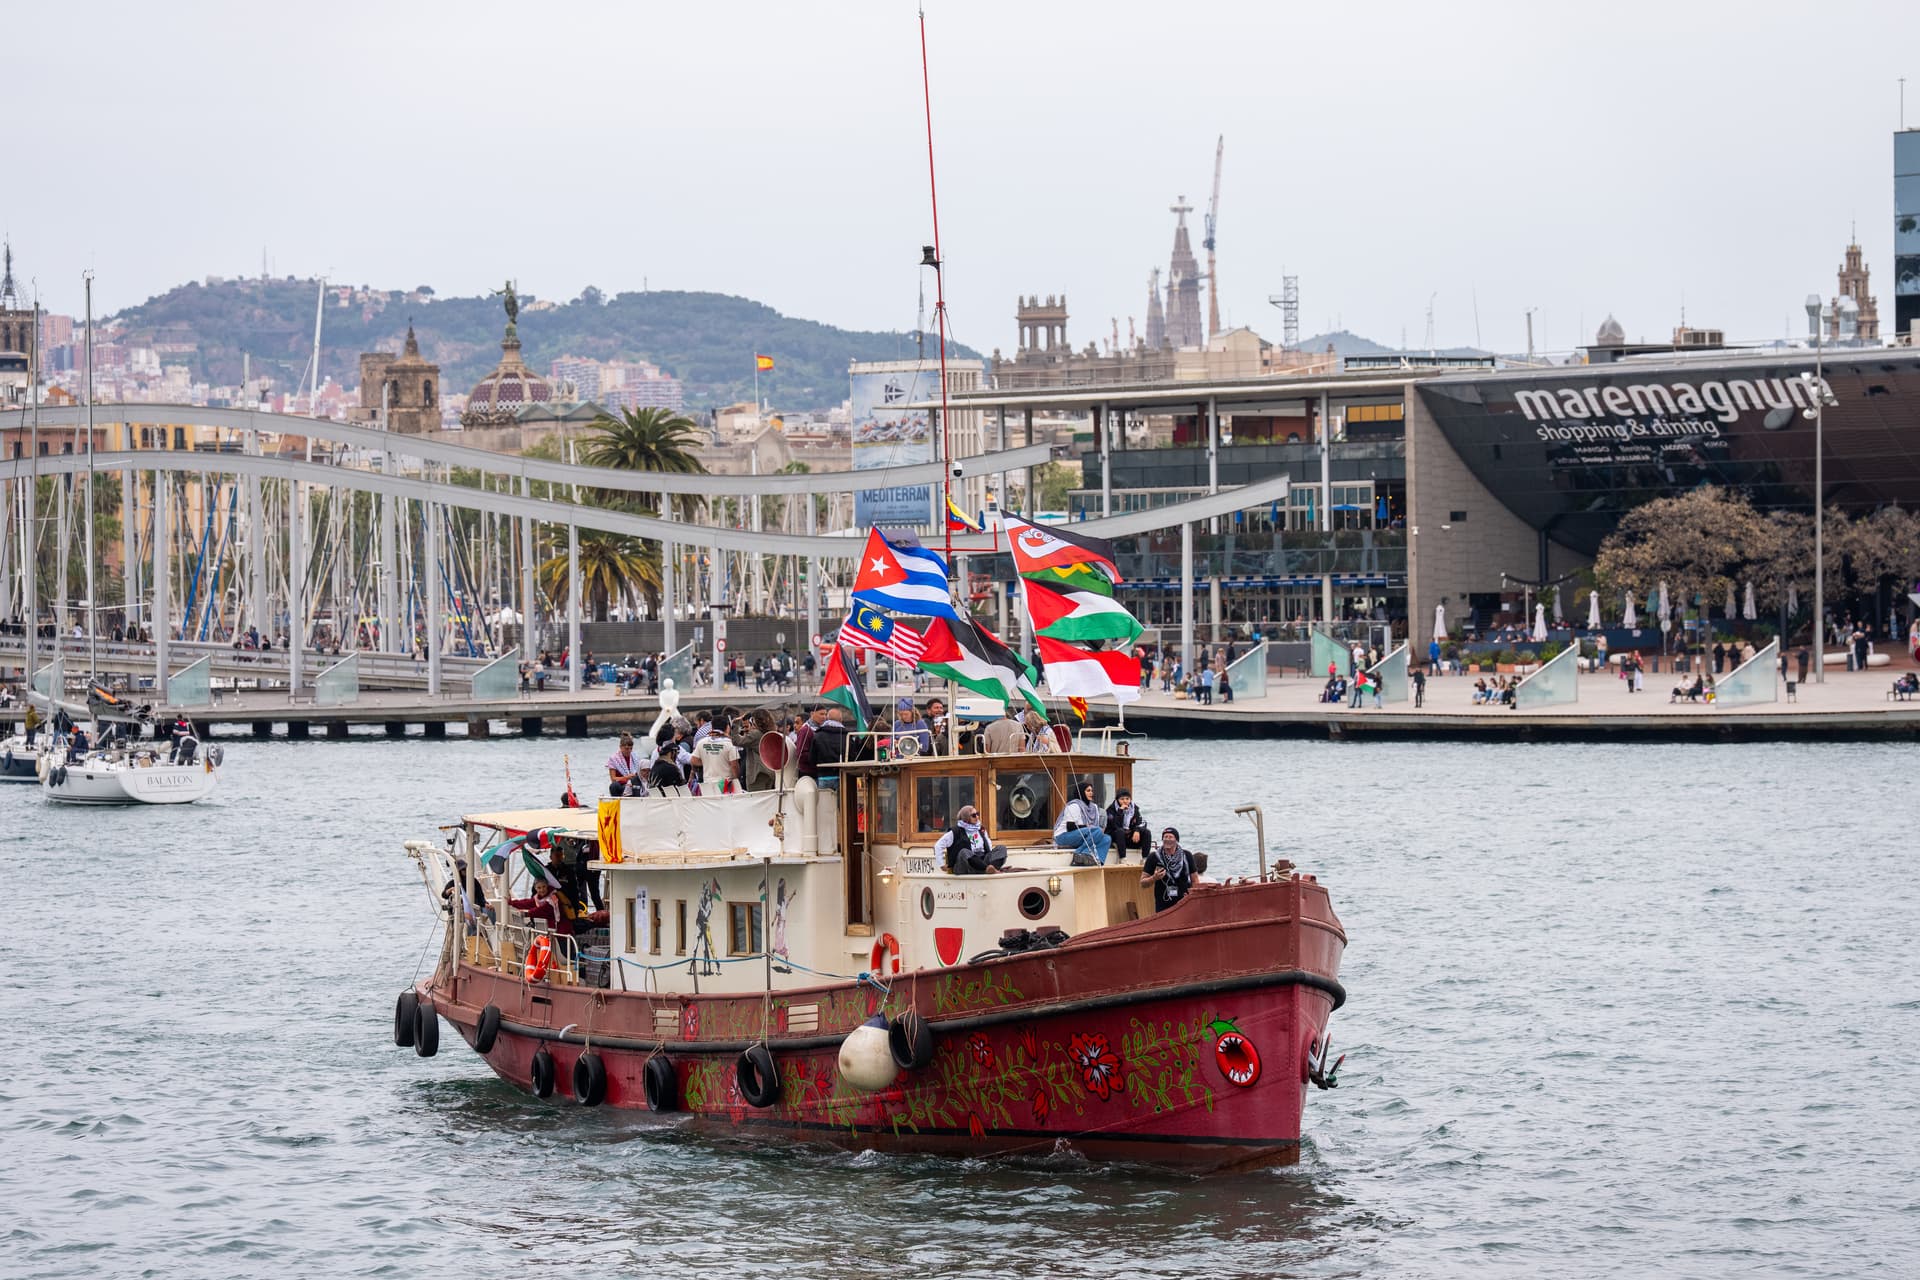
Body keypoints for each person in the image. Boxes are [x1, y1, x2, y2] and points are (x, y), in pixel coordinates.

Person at [935, 804, 1006, 875]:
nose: (977, 817)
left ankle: (989, 869)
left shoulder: (980, 829)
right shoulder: (955, 831)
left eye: (977, 814)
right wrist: (941, 864)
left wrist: (992, 857)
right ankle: (986, 869)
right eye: (974, 815)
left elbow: (988, 844)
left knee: (1001, 848)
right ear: (966, 817)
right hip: (965, 864)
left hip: (982, 860)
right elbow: (938, 845)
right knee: (964, 852)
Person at [1053, 780, 1113, 865]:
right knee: (1098, 830)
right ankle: (1079, 854)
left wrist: (1090, 828)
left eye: (1091, 791)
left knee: (1107, 838)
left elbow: (1094, 829)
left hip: (1083, 836)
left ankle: (1096, 860)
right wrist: (1087, 826)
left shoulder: (1094, 807)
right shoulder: (1074, 806)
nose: (1091, 793)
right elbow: (1070, 827)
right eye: (1088, 791)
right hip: (1063, 836)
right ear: (1081, 792)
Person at [1141, 827, 1195, 913]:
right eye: (1165, 837)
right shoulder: (1154, 857)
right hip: (1163, 903)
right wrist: (1154, 878)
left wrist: (1193, 896)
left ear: (1176, 840)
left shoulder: (1187, 855)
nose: (1167, 839)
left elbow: (1195, 880)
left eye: (1170, 837)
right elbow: (1143, 883)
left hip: (1185, 900)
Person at [1104, 788, 1150, 861]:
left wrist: (1137, 830)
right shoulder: (1111, 810)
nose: (1125, 801)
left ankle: (1145, 859)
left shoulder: (1134, 808)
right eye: (1122, 799)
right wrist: (1120, 811)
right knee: (1120, 831)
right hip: (1116, 837)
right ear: (1117, 800)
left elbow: (1141, 822)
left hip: (1129, 837)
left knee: (1146, 832)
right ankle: (1122, 858)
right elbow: (1115, 825)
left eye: (1127, 799)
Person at [606, 733, 645, 797]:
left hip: (633, 784)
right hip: (621, 785)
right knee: (613, 786)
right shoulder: (613, 759)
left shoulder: (635, 757)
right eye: (626, 749)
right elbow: (613, 779)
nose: (629, 751)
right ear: (621, 747)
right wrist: (626, 778)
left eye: (631, 748)